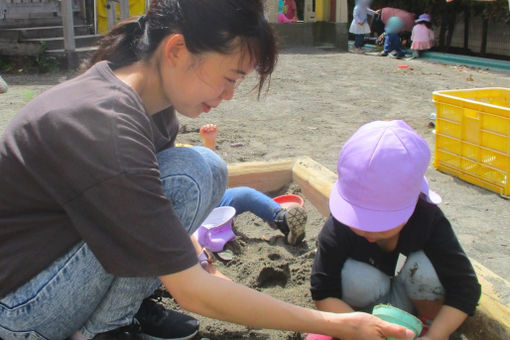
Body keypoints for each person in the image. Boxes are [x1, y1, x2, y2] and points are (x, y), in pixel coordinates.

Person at [0, 0, 415, 339]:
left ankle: (116, 318)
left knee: (202, 168)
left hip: (51, 266)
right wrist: (339, 324)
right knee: (192, 172)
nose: (229, 95)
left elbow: (149, 211)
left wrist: (196, 256)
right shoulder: (105, 123)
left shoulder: (152, 106)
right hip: (19, 307)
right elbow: (194, 293)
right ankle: (103, 331)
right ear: (177, 50)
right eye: (230, 77)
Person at [307, 120, 481, 340]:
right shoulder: (339, 226)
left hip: (411, 307)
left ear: (412, 204)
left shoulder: (427, 218)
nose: (367, 229)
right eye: (359, 219)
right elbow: (323, 291)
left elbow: (465, 287)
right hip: (360, 309)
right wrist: (355, 329)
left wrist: (437, 335)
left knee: (426, 269)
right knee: (354, 277)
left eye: (380, 222)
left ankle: (426, 325)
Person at [200, 124, 306, 246]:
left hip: (209, 201)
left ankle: (283, 219)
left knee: (245, 194)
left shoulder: (181, 150)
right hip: (189, 217)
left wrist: (209, 143)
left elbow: (207, 165)